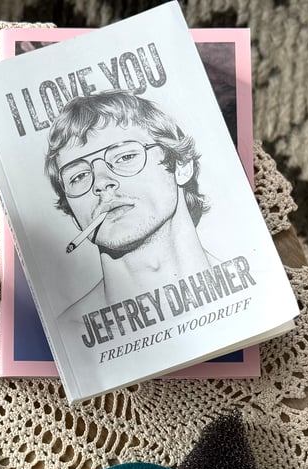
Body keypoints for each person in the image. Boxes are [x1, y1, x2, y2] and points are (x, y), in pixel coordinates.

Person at [44, 90, 214, 325]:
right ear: (71, 210)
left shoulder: (259, 288)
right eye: (79, 176)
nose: (101, 182)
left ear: (181, 166)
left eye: (125, 157)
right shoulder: (67, 333)